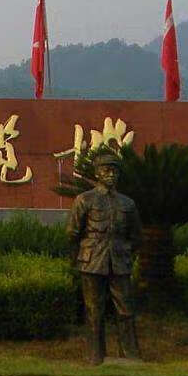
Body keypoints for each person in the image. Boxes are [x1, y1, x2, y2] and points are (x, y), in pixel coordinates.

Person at [66, 145, 143, 364]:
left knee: (126, 309)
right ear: (96, 173)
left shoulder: (128, 203)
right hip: (91, 261)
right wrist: (77, 260)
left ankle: (130, 355)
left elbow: (136, 236)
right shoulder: (85, 200)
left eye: (115, 171)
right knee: (93, 311)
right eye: (106, 170)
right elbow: (72, 233)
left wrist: (128, 255)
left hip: (119, 261)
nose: (111, 174)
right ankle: (94, 355)